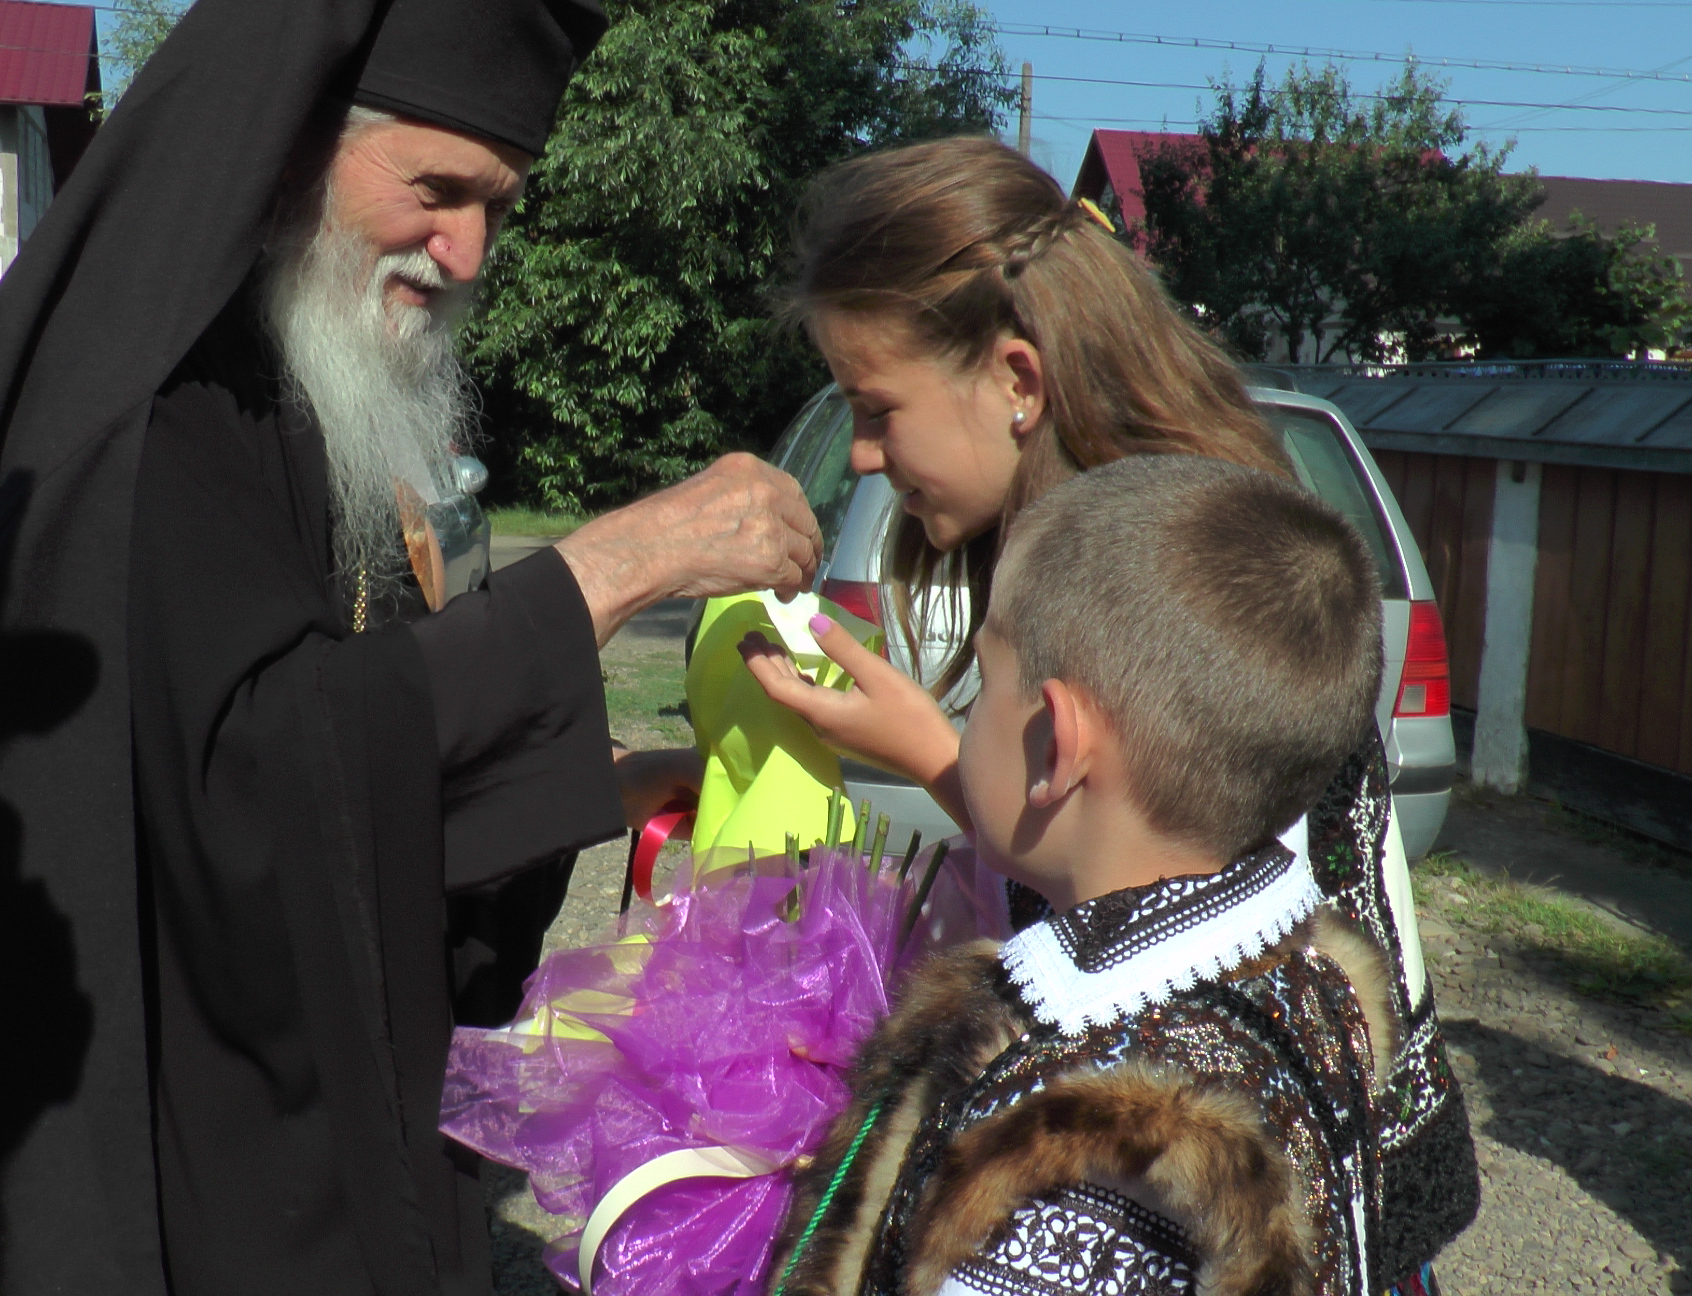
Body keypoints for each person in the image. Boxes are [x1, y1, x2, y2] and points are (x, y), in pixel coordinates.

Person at [0, 1, 818, 1293]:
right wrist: (614, 568)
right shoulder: (163, 413)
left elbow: (343, 763)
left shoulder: (284, 382)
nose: (471, 249)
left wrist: (599, 793)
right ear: (290, 148)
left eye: (500, 204)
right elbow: (252, 790)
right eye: (438, 190)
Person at [738, 137, 1475, 1290]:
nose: (868, 458)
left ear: (1018, 384)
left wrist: (930, 750)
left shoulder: (1164, 584)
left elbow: (1169, 903)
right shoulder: (1128, 536)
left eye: (874, 407)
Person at [770, 455, 1400, 1296]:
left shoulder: (1083, 1151)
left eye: (983, 687)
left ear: (1058, 747)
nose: (964, 722)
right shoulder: (1312, 983)